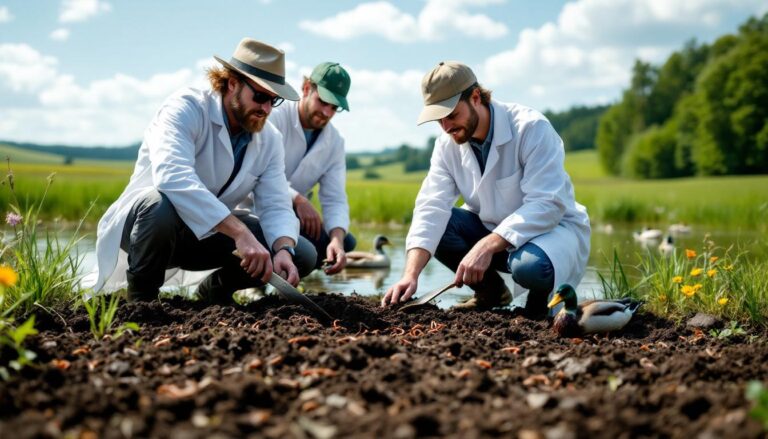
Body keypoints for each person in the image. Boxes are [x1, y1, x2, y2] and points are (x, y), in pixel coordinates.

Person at [85, 38, 317, 304]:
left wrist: (283, 249)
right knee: (159, 204)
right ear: (233, 83)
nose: (265, 109)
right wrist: (240, 233)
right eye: (260, 96)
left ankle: (215, 291)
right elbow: (173, 178)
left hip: (204, 238)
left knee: (303, 253)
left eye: (273, 101)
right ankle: (141, 303)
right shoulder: (186, 107)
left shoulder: (270, 138)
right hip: (148, 229)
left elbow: (276, 203)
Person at [382, 61, 590, 317]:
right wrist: (410, 275)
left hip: (550, 232)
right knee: (441, 225)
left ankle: (537, 309)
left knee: (530, 267)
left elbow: (547, 204)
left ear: (476, 97)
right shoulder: (447, 145)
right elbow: (430, 206)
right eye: (439, 120)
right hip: (492, 231)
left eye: (451, 115)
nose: (446, 127)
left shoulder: (531, 128)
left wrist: (485, 246)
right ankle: (491, 292)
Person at [268, 62, 356, 274]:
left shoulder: (334, 142)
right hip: (255, 208)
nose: (327, 112)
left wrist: (336, 240)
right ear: (307, 88)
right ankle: (232, 283)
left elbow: (334, 198)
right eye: (323, 101)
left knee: (345, 240)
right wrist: (297, 199)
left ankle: (285, 280)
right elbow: (258, 175)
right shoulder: (275, 116)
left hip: (291, 215)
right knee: (304, 251)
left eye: (334, 108)